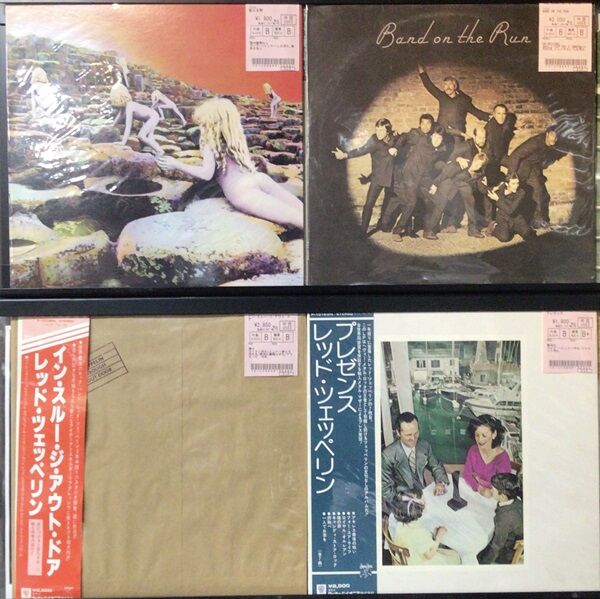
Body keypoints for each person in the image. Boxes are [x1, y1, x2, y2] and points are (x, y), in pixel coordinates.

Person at [157, 97, 303, 229]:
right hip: (257, 178)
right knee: (301, 210)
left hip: (241, 191)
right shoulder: (235, 138)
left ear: (209, 121)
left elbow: (206, 174)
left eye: (201, 122)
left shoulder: (208, 142)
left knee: (294, 218)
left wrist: (176, 164)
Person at [381, 124, 448, 241]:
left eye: (440, 138)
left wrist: (433, 184)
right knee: (411, 202)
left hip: (424, 179)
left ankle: (429, 230)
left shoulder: (440, 150)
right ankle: (397, 231)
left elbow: (432, 166)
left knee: (441, 200)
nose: (437, 140)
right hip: (409, 177)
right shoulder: (421, 140)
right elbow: (405, 136)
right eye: (435, 137)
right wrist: (396, 147)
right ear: (431, 135)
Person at [332, 118, 396, 234]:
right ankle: (363, 231)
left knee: (389, 202)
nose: (378, 132)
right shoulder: (374, 141)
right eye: (377, 129)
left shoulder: (393, 138)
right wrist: (345, 155)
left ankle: (383, 224)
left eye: (381, 130)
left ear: (388, 131)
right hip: (378, 178)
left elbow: (401, 139)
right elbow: (361, 150)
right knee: (369, 204)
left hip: (392, 177)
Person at [381, 412, 449, 509]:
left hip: (422, 494)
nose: (413, 439)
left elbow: (436, 466)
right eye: (408, 435)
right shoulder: (387, 455)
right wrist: (405, 500)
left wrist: (440, 482)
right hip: (401, 502)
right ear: (398, 433)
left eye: (416, 433)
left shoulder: (424, 445)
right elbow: (385, 489)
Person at [502, 128, 563, 228]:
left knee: (538, 191)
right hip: (520, 168)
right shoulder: (535, 142)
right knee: (514, 193)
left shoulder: (550, 144)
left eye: (556, 136)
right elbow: (516, 155)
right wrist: (511, 175)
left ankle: (538, 220)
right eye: (553, 135)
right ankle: (504, 221)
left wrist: (540, 175)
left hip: (532, 169)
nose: (554, 138)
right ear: (547, 134)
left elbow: (538, 161)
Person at [424, 151, 488, 239]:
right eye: (476, 162)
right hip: (449, 182)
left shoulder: (479, 172)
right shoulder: (464, 163)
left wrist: (487, 188)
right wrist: (435, 184)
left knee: (471, 202)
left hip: (464, 185)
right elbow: (446, 173)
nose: (477, 166)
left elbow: (479, 186)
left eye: (480, 165)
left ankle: (472, 229)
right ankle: (428, 230)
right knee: (440, 205)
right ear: (474, 159)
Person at [390, 490, 461, 565]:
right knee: (455, 556)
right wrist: (438, 537)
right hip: (419, 563)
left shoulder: (400, 524)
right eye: (420, 498)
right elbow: (429, 556)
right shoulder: (420, 533)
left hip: (408, 556)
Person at [417, 63, 490, 136]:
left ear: (455, 87)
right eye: (445, 85)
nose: (447, 87)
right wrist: (422, 71)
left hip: (457, 135)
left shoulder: (464, 100)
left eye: (450, 84)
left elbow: (476, 112)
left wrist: (490, 117)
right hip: (442, 133)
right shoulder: (442, 97)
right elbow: (429, 86)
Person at [477, 473, 523, 564]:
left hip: (508, 551)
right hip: (513, 536)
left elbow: (497, 545)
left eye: (493, 489)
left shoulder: (505, 518)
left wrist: (483, 563)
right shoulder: (516, 500)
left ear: (502, 496)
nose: (490, 490)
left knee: (477, 552)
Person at [463, 414, 512, 497]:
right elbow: (467, 473)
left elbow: (502, 486)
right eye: (477, 435)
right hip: (477, 492)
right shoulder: (473, 450)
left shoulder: (502, 458)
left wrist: (478, 479)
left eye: (484, 435)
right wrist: (479, 487)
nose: (480, 439)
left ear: (494, 434)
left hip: (495, 497)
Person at [110, 79, 163, 155]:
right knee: (149, 137)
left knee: (141, 136)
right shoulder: (125, 106)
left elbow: (128, 126)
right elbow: (120, 115)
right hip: (148, 118)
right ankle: (157, 152)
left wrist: (123, 142)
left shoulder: (129, 106)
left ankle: (160, 151)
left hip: (153, 116)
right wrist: (112, 125)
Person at [485, 173, 537, 243]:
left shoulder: (521, 192)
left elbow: (511, 210)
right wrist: (487, 186)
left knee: (530, 236)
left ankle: (514, 230)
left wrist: (498, 200)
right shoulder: (499, 191)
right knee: (504, 238)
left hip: (517, 219)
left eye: (517, 183)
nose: (516, 186)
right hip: (503, 219)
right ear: (507, 184)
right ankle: (494, 228)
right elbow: (487, 193)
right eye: (513, 184)